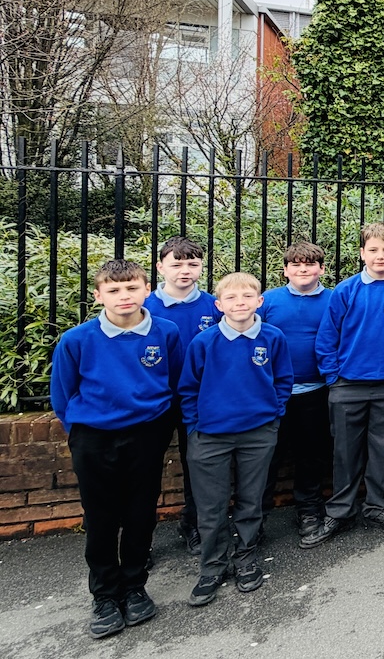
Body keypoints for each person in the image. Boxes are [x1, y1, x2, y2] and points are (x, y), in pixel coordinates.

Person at [51, 259, 184, 639]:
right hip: (94, 436)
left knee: (141, 512)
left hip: (147, 433)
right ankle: (105, 595)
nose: (124, 296)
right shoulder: (77, 339)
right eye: (113, 290)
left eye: (131, 288)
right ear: (98, 296)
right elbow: (62, 393)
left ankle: (135, 585)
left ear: (147, 290)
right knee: (101, 517)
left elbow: (175, 381)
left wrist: (159, 426)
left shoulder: (166, 331)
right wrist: (81, 431)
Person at [303, 223, 384, 548]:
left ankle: (379, 507)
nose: (380, 256)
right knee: (345, 453)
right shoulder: (346, 290)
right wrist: (333, 377)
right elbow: (327, 337)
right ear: (362, 253)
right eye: (373, 250)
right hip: (347, 385)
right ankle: (340, 512)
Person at [179, 273, 293, 607]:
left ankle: (246, 557)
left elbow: (283, 379)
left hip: (258, 432)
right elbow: (188, 388)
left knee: (251, 500)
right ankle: (212, 567)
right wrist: (195, 427)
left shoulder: (272, 337)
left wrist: (274, 415)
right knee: (211, 506)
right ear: (218, 305)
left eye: (247, 296)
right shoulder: (204, 342)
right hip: (210, 435)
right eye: (231, 298)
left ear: (260, 301)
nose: (239, 303)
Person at [144, 236, 221, 556]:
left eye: (192, 264)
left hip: (201, 401)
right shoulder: (144, 306)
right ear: (160, 267)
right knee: (146, 472)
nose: (185, 270)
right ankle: (140, 541)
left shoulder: (213, 305)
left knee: (198, 468)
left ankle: (193, 525)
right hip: (156, 402)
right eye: (176, 264)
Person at [258, 242, 332, 540]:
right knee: (266, 458)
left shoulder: (334, 299)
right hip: (271, 394)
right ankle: (255, 519)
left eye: (310, 264)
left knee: (310, 456)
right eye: (296, 264)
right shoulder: (268, 301)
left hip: (316, 391)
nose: (303, 269)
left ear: (321, 269)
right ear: (286, 270)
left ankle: (309, 510)